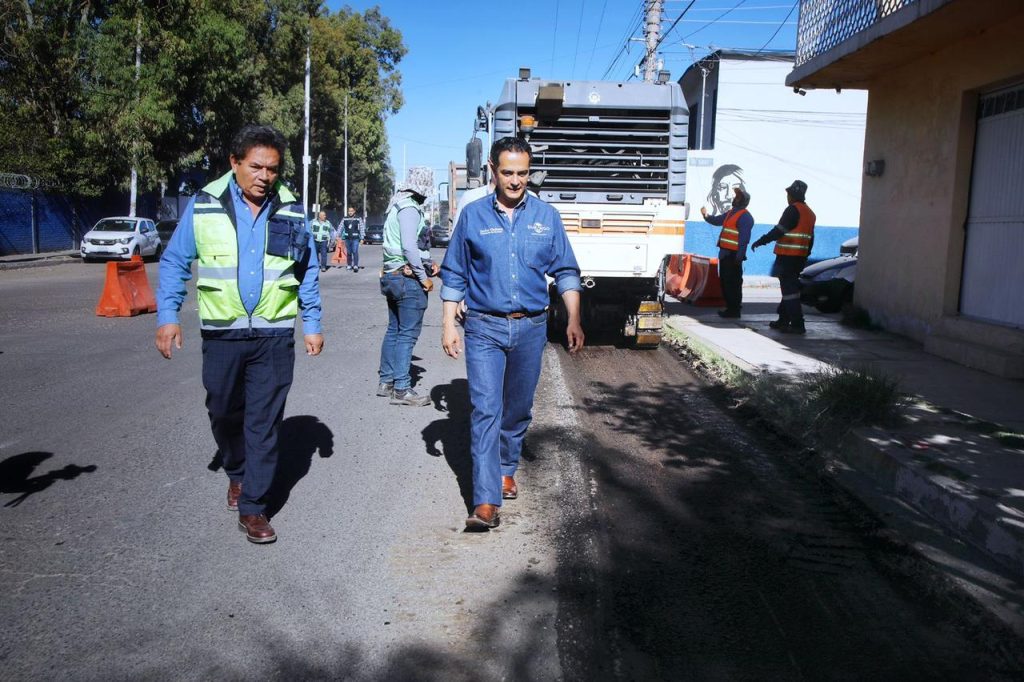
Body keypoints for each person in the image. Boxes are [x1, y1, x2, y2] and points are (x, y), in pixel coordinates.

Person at [155, 124, 324, 544]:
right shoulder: (204, 205)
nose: (265, 176)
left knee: (264, 422)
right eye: (256, 167)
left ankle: (254, 506)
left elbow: (307, 269)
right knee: (223, 410)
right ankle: (237, 470)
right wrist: (168, 316)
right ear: (235, 163)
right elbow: (175, 261)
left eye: (273, 169)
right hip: (222, 333)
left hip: (274, 333)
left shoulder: (291, 209)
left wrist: (312, 323)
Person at [440, 136, 584, 531]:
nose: (516, 181)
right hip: (483, 326)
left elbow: (566, 271)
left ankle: (506, 466)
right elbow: (454, 272)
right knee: (486, 409)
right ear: (492, 169)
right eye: (507, 173)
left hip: (531, 327)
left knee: (517, 408)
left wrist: (573, 318)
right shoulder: (473, 216)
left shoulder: (546, 217)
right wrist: (448, 323)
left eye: (522, 173)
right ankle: (485, 501)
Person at [377, 166, 436, 407]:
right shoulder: (410, 208)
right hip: (406, 278)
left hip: (392, 275)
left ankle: (386, 382)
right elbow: (409, 247)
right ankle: (401, 388)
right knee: (407, 334)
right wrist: (423, 277)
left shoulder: (396, 206)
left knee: (394, 329)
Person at [751, 179, 816, 334]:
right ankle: (783, 319)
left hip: (787, 257)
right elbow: (811, 238)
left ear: (792, 195)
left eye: (789, 194)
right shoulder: (810, 213)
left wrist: (761, 241)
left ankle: (797, 324)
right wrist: (805, 255)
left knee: (789, 291)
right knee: (789, 289)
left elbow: (779, 230)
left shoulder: (792, 210)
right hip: (799, 257)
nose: (788, 197)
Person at [701, 187, 753, 318]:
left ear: (743, 201)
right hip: (725, 255)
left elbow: (744, 240)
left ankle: (734, 310)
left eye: (738, 197)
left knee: (732, 284)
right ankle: (731, 308)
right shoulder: (731, 213)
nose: (734, 198)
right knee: (725, 282)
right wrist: (706, 215)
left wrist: (739, 257)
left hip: (733, 256)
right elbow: (717, 220)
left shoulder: (745, 217)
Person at [339, 206, 363, 272]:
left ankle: (355, 265)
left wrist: (362, 238)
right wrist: (338, 236)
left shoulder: (358, 219)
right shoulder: (345, 219)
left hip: (355, 238)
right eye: (349, 211)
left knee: (355, 251)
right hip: (347, 238)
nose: (350, 212)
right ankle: (349, 265)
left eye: (351, 211)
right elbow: (340, 227)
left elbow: (361, 228)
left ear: (354, 211)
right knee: (349, 252)